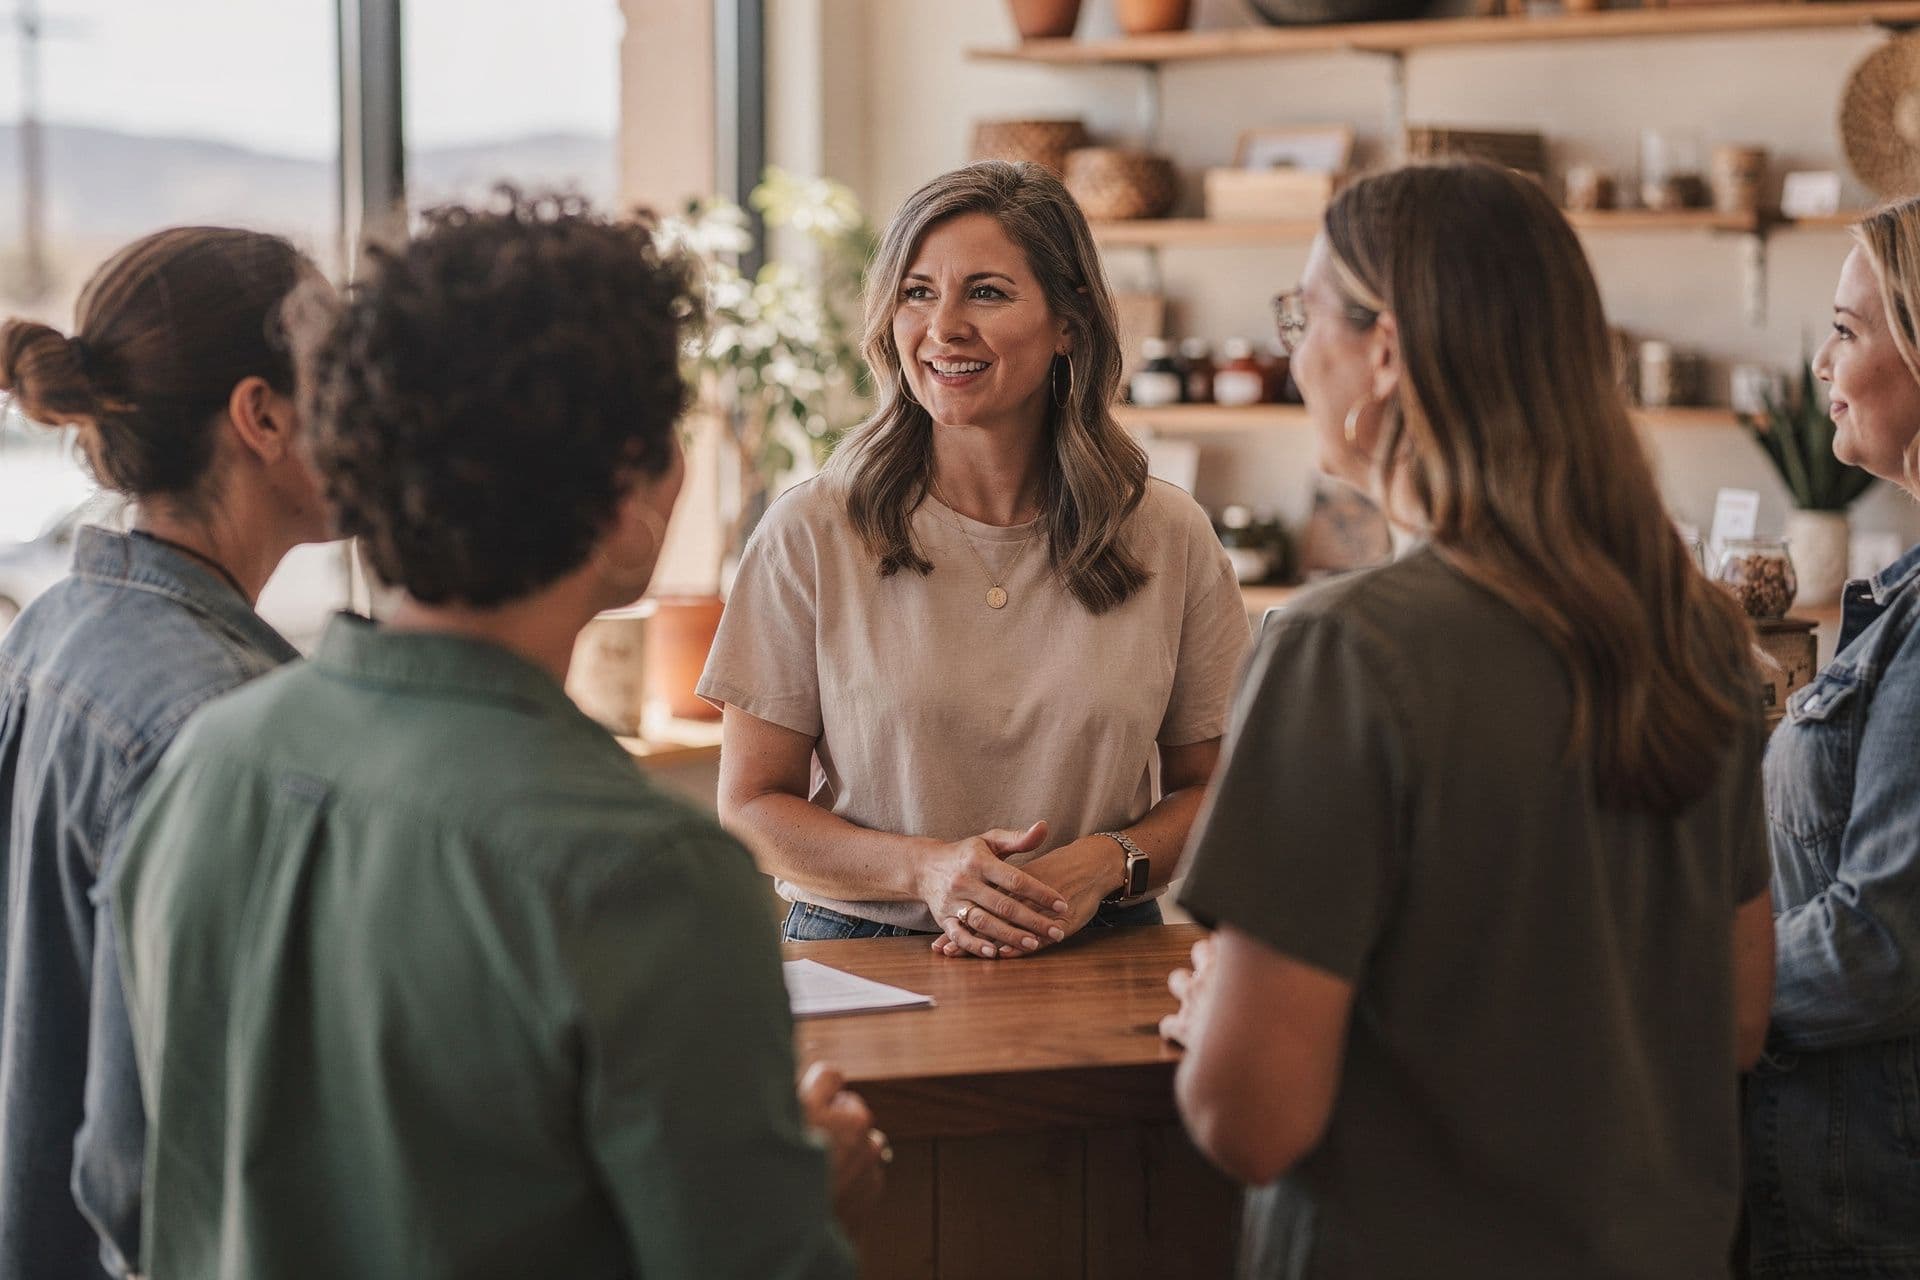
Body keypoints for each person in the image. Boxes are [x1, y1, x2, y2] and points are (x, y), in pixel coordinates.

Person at [109, 192, 879, 1280]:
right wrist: (809, 1188)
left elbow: (145, 1179)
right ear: (631, 489)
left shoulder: (207, 764)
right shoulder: (646, 873)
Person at [1160, 161, 1775, 1277]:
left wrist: (1213, 1016)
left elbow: (1252, 1116)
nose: (1297, 354)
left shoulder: (1341, 648)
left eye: (1305, 315)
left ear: (1385, 352)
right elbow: (1732, 1021)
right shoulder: (1703, 641)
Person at [700, 160, 1250, 958]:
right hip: (864, 953)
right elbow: (750, 807)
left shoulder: (1169, 533)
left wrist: (1107, 863)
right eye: (917, 292)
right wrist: (925, 870)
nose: (944, 326)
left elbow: (1217, 789)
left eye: (986, 292)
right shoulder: (811, 530)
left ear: (1070, 324)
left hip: (1101, 945)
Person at [0, 228, 330, 1280]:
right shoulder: (213, 724)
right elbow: (166, 1169)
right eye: (342, 369)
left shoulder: (53, 630)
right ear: (261, 415)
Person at [1739, 197, 1920, 1277]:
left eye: (1848, 329)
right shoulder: (1898, 591)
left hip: (1870, 1194)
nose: (1820, 360)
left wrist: (1665, 993)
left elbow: (1878, 950)